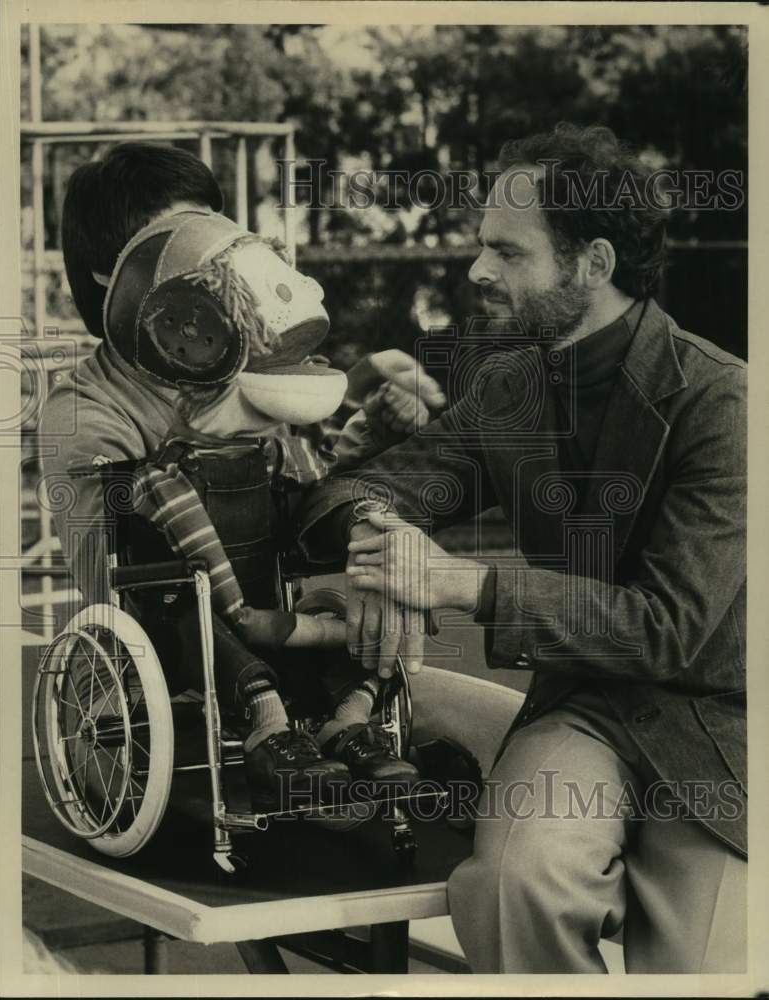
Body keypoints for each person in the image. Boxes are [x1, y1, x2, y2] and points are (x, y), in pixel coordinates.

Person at [303, 123, 747, 972]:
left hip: (715, 731)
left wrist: (466, 585)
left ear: (593, 264)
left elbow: (667, 630)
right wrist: (379, 544)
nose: (478, 270)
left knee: (699, 974)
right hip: (580, 708)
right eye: (482, 246)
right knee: (514, 882)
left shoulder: (723, 402)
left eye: (508, 252)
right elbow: (354, 491)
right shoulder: (511, 385)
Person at [38, 142, 443, 810]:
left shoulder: (245, 372)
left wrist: (370, 434)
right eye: (183, 240)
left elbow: (295, 487)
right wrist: (213, 429)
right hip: (164, 644)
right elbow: (116, 564)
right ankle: (269, 721)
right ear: (119, 274)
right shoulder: (82, 411)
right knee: (176, 595)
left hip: (267, 617)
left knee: (370, 610)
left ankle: (352, 724)